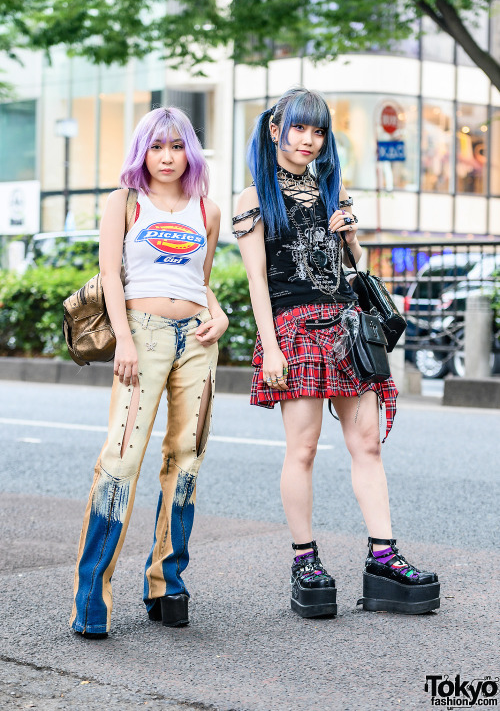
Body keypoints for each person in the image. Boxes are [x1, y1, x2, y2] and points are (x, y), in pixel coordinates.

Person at [233, 87, 439, 618]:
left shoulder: (333, 193)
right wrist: (271, 348)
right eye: (300, 128)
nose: (309, 140)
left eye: (318, 131)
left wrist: (353, 239)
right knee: (302, 448)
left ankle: (383, 559)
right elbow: (257, 280)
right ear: (276, 129)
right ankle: (306, 562)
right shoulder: (254, 199)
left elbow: (355, 266)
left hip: (347, 325)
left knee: (366, 443)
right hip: (294, 327)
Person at [70, 107, 228, 638]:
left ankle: (168, 583)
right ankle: (92, 596)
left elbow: (197, 278)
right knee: (122, 456)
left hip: (198, 340)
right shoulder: (124, 201)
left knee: (186, 456)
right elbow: (111, 276)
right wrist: (126, 339)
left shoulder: (208, 209)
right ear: (143, 152)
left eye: (177, 146)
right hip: (143, 334)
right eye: (156, 147)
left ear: (190, 152)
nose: (167, 157)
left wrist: (219, 310)